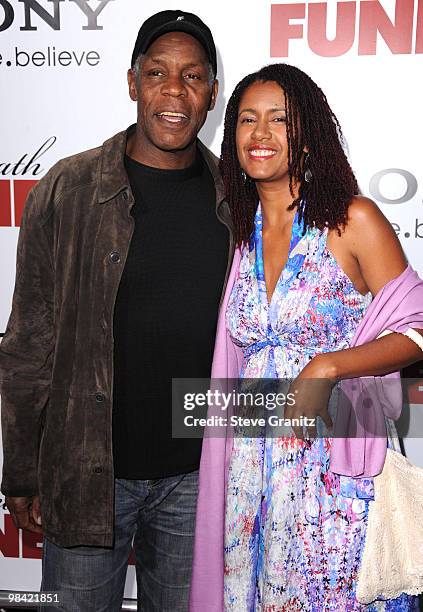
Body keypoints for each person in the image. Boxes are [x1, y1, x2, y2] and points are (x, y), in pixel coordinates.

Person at [0, 10, 232, 612]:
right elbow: (28, 343)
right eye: (158, 73)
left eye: (193, 76)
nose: (174, 92)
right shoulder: (67, 188)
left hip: (198, 479)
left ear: (212, 92)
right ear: (132, 82)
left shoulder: (238, 199)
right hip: (85, 473)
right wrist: (21, 471)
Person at [189, 63, 423, 611]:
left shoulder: (352, 221)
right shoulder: (236, 236)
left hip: (334, 465)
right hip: (251, 469)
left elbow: (417, 329)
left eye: (280, 120)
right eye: (247, 119)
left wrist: (328, 365)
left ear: (309, 137)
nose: (261, 134)